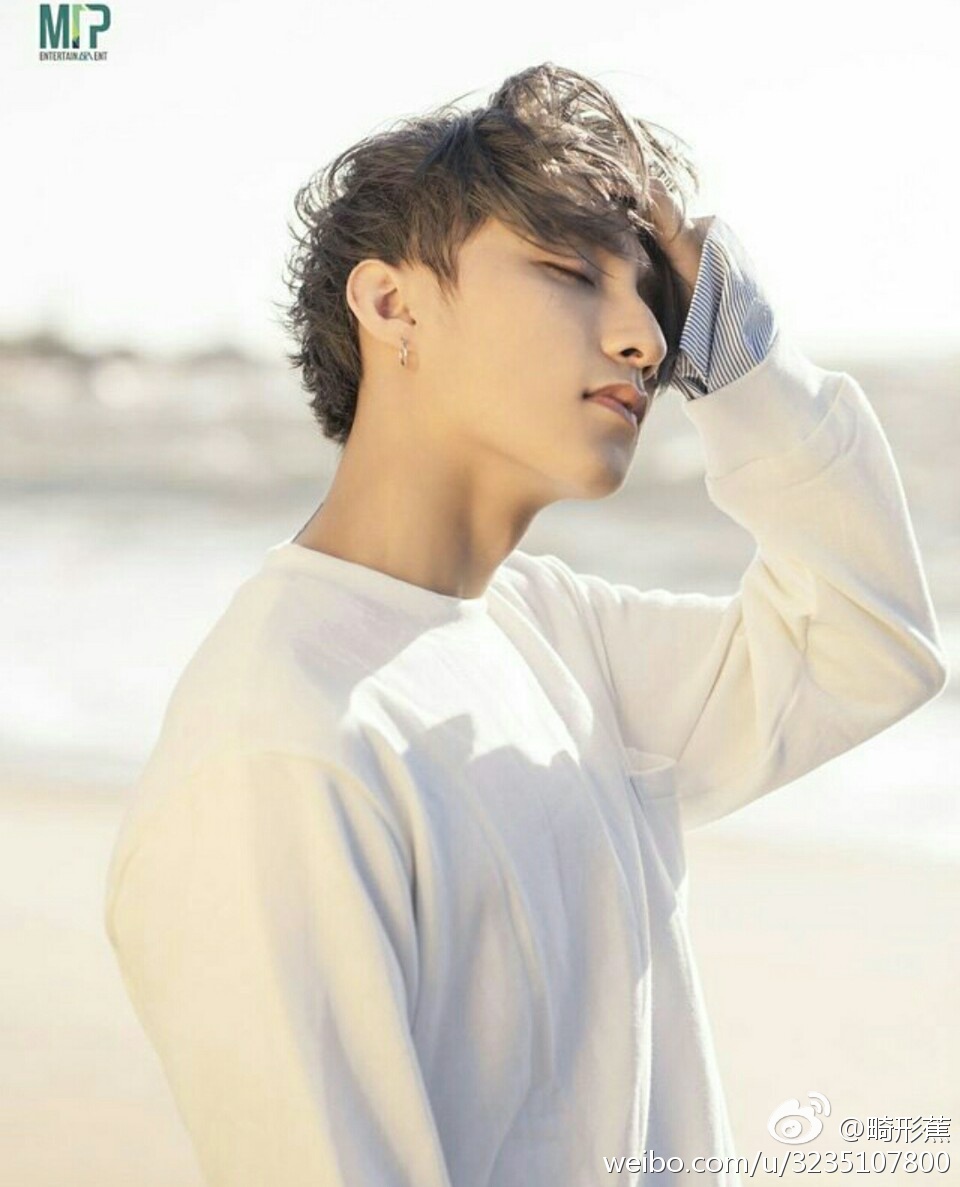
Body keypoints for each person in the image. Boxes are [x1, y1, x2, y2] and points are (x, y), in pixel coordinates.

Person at [103, 62, 948, 1187]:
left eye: (656, 300)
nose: (644, 338)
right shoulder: (279, 748)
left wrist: (739, 350)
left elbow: (866, 645)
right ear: (394, 306)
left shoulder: (547, 630)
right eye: (569, 273)